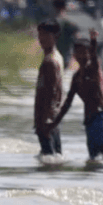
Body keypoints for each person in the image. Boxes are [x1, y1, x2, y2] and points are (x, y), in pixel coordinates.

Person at [47, 29, 103, 160]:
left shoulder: (94, 69)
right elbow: (67, 103)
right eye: (77, 52)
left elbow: (95, 57)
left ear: (89, 53)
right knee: (93, 158)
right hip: (88, 121)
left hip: (101, 118)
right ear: (74, 55)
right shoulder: (76, 77)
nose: (81, 55)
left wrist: (93, 40)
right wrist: (55, 122)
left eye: (84, 51)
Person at [34, 20, 64, 157]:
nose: (42, 38)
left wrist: (46, 119)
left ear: (56, 36)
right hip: (53, 118)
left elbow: (53, 92)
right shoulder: (56, 57)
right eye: (40, 34)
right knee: (53, 157)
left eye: (46, 34)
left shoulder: (50, 61)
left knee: (49, 157)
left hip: (47, 118)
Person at [53, 0, 79, 70]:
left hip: (59, 44)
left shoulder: (54, 18)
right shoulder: (67, 19)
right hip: (65, 44)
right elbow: (75, 32)